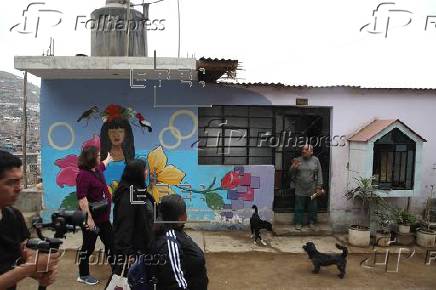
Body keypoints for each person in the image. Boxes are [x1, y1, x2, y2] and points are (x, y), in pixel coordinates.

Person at [0, 150, 59, 290]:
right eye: (10, 183)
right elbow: (26, 267)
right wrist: (31, 267)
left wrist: (40, 273)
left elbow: (19, 257)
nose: (18, 188)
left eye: (19, 181)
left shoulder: (13, 216)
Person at [76, 146, 113, 285]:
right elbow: (82, 199)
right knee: (88, 247)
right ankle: (83, 274)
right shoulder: (83, 175)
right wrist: (88, 219)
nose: (99, 157)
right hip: (91, 220)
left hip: (103, 219)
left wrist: (108, 159)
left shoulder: (96, 170)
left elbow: (103, 165)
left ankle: (117, 270)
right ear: (90, 158)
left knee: (111, 243)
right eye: (97, 155)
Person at [154, 194, 208, 290]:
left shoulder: (176, 230)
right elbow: (175, 284)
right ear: (180, 217)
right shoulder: (169, 241)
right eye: (185, 212)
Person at [111, 159, 155, 278]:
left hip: (143, 247)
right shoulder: (127, 196)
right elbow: (124, 227)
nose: (146, 172)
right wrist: (128, 254)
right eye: (144, 169)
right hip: (133, 251)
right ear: (136, 173)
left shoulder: (137, 189)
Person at [289, 145, 324, 231]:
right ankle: (298, 223)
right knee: (299, 207)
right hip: (300, 188)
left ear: (311, 152)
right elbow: (290, 174)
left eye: (306, 150)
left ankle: (311, 222)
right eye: (303, 149)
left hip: (312, 188)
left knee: (313, 207)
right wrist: (293, 167)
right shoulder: (297, 160)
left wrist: (319, 186)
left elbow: (319, 173)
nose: (303, 151)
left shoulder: (316, 160)